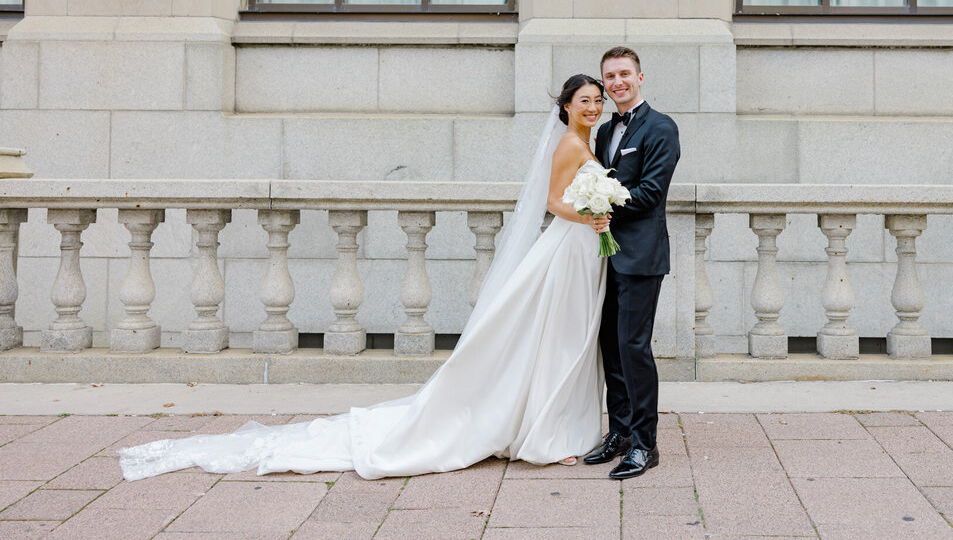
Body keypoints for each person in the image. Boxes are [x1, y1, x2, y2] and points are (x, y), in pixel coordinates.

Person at [119, 75, 614, 480]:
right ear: (566, 106)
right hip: (569, 246)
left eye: (597, 100)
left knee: (567, 336)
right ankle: (546, 430)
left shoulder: (590, 141)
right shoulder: (571, 144)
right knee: (556, 336)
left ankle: (556, 421)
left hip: (583, 250)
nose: (592, 107)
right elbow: (553, 201)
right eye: (583, 100)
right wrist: (589, 215)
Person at [583, 47, 681, 480]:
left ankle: (646, 444)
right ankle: (620, 433)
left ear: (641, 77)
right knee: (610, 348)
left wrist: (603, 207)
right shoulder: (605, 132)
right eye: (610, 76)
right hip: (605, 254)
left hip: (641, 256)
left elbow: (651, 192)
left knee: (634, 349)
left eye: (625, 73)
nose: (617, 81)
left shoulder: (661, 127)